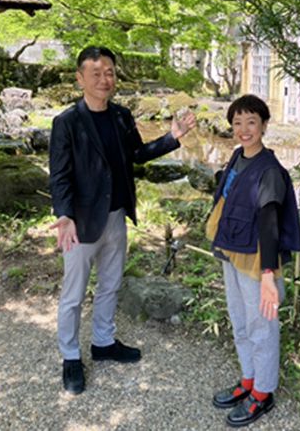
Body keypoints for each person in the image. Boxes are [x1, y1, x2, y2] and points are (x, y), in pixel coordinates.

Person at [48, 46, 197, 394]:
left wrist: (172, 137)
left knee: (110, 285)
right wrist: (64, 214)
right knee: (73, 294)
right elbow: (60, 175)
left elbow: (137, 155)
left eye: (110, 72)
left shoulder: (121, 115)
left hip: (116, 215)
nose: (105, 79)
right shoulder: (67, 122)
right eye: (96, 73)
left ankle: (103, 342)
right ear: (80, 78)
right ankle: (70, 355)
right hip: (81, 222)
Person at [206, 94, 300, 426]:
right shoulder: (237, 156)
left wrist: (268, 275)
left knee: (262, 326)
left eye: (251, 122)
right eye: (237, 123)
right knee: (240, 320)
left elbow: (269, 222)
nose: (244, 129)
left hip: (258, 258)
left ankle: (263, 392)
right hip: (233, 249)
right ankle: (248, 379)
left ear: (264, 125)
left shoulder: (270, 171)